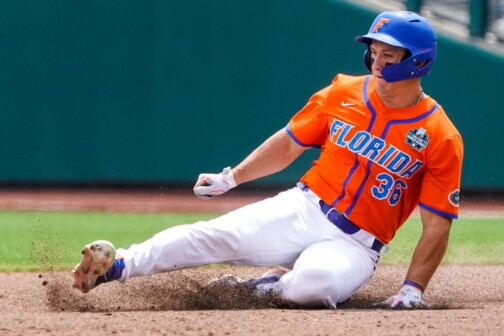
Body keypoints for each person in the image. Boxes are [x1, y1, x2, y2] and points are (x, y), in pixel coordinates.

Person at [72, 11, 463, 309]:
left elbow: (436, 225)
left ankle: (268, 286)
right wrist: (233, 177)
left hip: (357, 244)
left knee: (318, 287)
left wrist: (412, 289)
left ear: (418, 62)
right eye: (373, 53)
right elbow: (289, 143)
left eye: (389, 55)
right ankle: (117, 265)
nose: (377, 64)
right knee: (214, 236)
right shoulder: (342, 92)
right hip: (304, 207)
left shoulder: (440, 135)